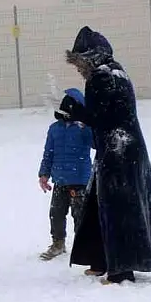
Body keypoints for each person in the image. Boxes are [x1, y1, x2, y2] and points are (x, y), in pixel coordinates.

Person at [58, 26, 151, 283]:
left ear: (91, 57)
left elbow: (99, 118)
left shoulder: (101, 77)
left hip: (117, 151)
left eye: (80, 62)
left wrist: (74, 110)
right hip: (127, 148)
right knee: (102, 204)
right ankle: (100, 259)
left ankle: (121, 269)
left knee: (117, 208)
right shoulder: (118, 72)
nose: (78, 68)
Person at [37, 89, 93, 260]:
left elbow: (96, 144)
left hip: (80, 181)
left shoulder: (84, 129)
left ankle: (83, 246)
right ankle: (58, 243)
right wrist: (44, 174)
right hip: (60, 180)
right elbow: (49, 153)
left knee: (80, 215)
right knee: (56, 213)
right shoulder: (54, 129)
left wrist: (88, 125)